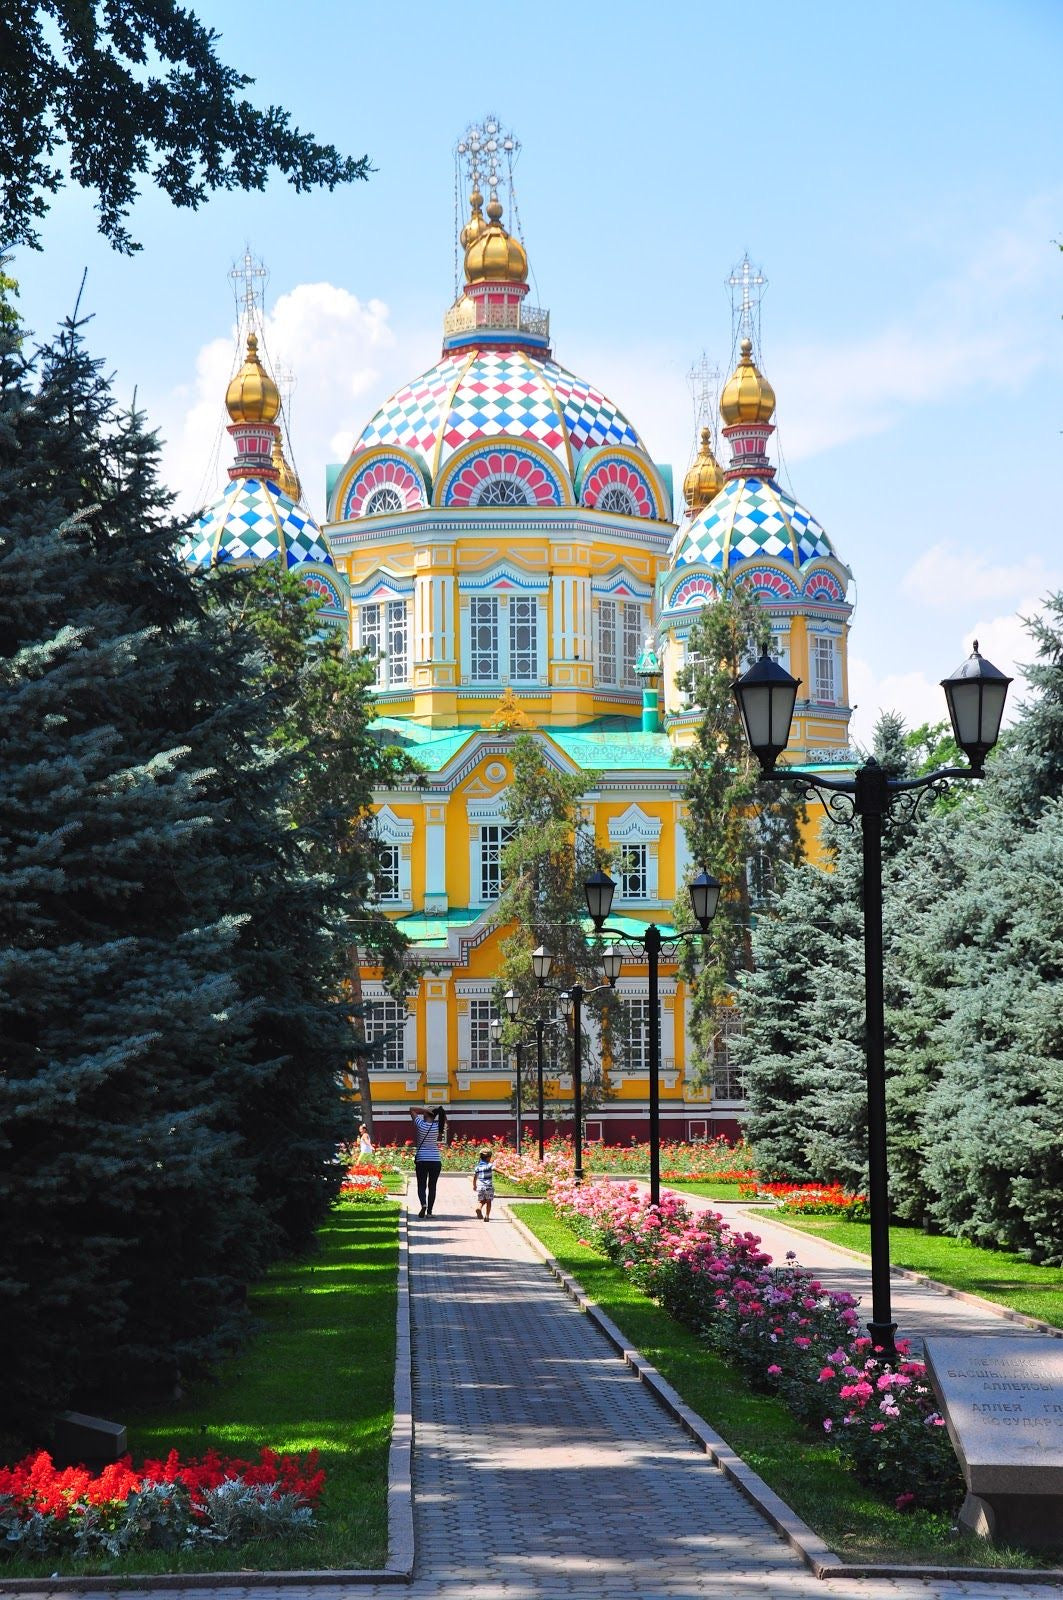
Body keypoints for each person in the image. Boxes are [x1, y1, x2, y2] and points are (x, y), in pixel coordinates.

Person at [409, 1106, 446, 1217]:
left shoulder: (421, 1124)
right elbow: (444, 1117)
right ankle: (429, 1212)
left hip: (422, 1159)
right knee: (432, 1186)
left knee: (421, 1185)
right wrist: (433, 1112)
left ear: (426, 1114)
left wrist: (425, 1109)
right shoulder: (438, 1126)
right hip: (435, 1160)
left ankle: (423, 1204)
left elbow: (411, 1109)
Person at [472, 1151, 495, 1221]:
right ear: (488, 1158)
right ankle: (487, 1216)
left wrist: (474, 1186)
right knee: (488, 1201)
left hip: (480, 1186)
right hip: (488, 1186)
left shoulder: (478, 1167)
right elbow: (496, 1169)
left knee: (481, 1200)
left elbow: (475, 1177)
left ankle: (479, 1208)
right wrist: (504, 1173)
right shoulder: (489, 1165)